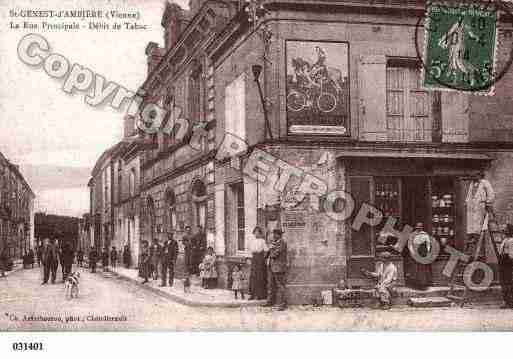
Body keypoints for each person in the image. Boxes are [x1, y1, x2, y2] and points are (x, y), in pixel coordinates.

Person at [466, 172, 495, 250]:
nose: (473, 177)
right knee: (471, 222)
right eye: (472, 176)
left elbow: (491, 193)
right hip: (472, 205)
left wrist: (488, 202)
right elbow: (469, 194)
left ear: (479, 176)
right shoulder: (472, 184)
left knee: (478, 223)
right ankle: (472, 238)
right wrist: (467, 202)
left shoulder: (485, 183)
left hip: (481, 205)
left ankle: (476, 238)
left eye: (475, 176)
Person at [264, 229, 288, 311]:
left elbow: (274, 255)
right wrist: (269, 248)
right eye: (273, 234)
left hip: (279, 268)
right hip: (271, 267)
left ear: (279, 235)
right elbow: (266, 255)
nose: (273, 236)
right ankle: (270, 301)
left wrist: (271, 248)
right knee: (270, 285)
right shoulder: (273, 243)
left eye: (275, 234)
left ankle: (282, 304)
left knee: (280, 286)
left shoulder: (282, 243)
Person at [405, 222, 433, 290]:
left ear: (422, 228)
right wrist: (412, 252)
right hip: (415, 252)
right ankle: (415, 284)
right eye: (418, 228)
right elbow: (410, 244)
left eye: (420, 228)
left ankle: (423, 284)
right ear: (415, 228)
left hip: (423, 252)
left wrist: (428, 251)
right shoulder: (412, 235)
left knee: (423, 268)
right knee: (415, 268)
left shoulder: (425, 234)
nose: (419, 229)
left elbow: (428, 243)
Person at [249, 226, 268, 300]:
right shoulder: (252, 241)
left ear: (260, 233)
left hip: (260, 259)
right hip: (254, 258)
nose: (256, 234)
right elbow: (250, 251)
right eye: (255, 232)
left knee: (260, 276)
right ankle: (252, 294)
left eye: (258, 232)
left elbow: (266, 250)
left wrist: (264, 258)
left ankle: (260, 295)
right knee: (253, 276)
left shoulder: (262, 241)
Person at [499, 224, 513, 309]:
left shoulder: (511, 241)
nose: (503, 231)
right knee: (504, 282)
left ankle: (510, 302)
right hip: (503, 261)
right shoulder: (505, 240)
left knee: (509, 282)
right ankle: (506, 301)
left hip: (508, 262)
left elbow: (511, 254)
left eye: (505, 229)